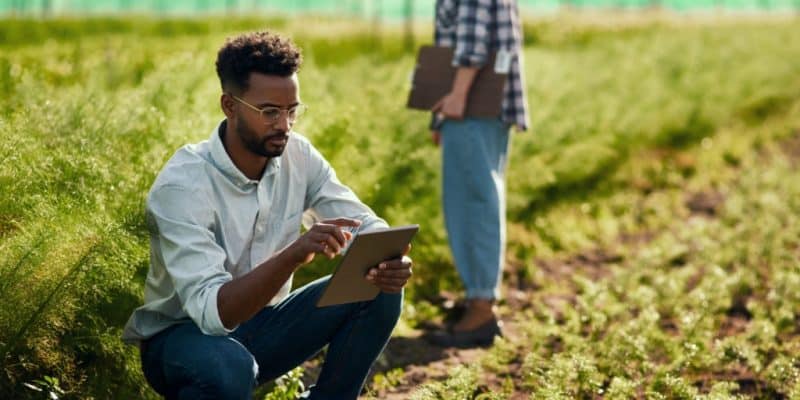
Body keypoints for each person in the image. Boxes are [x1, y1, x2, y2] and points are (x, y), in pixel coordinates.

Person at [121, 31, 413, 400]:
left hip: (263, 327)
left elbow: (362, 222)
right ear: (230, 105)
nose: (284, 125)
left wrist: (389, 256)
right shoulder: (183, 186)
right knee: (227, 371)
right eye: (269, 112)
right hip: (183, 339)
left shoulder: (298, 156)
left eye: (292, 111)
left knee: (379, 286)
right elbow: (214, 314)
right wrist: (293, 254)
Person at [426, 0, 529, 348]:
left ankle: (482, 307)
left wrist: (456, 96)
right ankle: (477, 299)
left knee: (472, 203)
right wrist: (440, 113)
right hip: (478, 104)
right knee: (479, 197)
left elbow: (472, 43)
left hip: (471, 104)